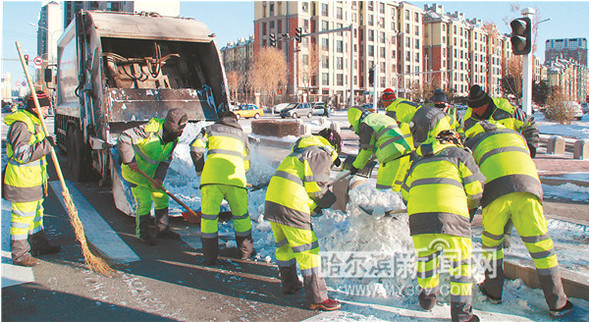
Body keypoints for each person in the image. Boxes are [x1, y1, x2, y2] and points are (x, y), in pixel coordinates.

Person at [464, 121, 574, 318]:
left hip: (495, 192)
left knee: (492, 244)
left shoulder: (471, 144)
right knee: (542, 246)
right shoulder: (514, 135)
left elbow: (471, 184)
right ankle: (557, 302)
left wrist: (467, 216)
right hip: (529, 189)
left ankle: (493, 292)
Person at [401, 130, 485, 322]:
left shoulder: (418, 160)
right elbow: (475, 189)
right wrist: (469, 210)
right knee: (460, 265)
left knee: (426, 259)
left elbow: (405, 193)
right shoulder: (460, 154)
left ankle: (427, 300)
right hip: (452, 215)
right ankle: (462, 315)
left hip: (419, 215)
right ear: (454, 141)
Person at [265, 128, 342, 311]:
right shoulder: (320, 152)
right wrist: (329, 200)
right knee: (309, 250)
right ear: (334, 145)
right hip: (291, 204)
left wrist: (312, 207)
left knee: (284, 246)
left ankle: (289, 283)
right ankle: (318, 298)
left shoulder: (301, 152)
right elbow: (316, 188)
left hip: (273, 201)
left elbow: (302, 183)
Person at [3, 90, 60, 267]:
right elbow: (21, 154)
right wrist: (46, 145)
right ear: (34, 108)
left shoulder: (34, 122)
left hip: (33, 180)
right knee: (22, 218)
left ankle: (39, 245)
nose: (47, 111)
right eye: (44, 107)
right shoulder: (21, 125)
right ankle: (20, 254)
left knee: (35, 215)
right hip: (22, 182)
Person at [190, 111, 254, 265]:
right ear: (235, 120)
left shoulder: (210, 129)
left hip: (211, 180)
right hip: (236, 181)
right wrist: (241, 173)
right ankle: (246, 252)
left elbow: (195, 148)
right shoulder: (241, 134)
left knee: (209, 219)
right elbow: (246, 162)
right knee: (241, 217)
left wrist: (201, 170)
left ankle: (210, 256)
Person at [118, 108, 187, 245]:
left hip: (152, 175)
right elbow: (124, 138)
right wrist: (130, 160)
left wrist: (159, 178)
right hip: (136, 174)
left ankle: (162, 229)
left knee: (162, 198)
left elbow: (165, 161)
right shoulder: (148, 131)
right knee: (144, 203)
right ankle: (142, 234)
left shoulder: (173, 140)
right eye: (180, 129)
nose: (182, 132)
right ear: (173, 127)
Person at [346, 107, 413, 191]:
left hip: (391, 158)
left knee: (383, 190)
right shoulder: (379, 118)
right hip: (405, 154)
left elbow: (366, 151)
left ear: (353, 118)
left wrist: (356, 166)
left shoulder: (366, 123)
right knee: (396, 189)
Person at [464, 85, 539, 157]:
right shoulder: (469, 118)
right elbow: (466, 139)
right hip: (485, 160)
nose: (474, 111)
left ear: (485, 105)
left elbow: (529, 123)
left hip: (511, 154)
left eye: (477, 108)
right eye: (472, 108)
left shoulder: (507, 111)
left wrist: (530, 145)